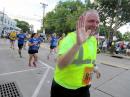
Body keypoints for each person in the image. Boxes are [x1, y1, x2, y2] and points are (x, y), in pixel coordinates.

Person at [50, 9, 101, 97]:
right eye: (91, 21)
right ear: (82, 21)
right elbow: (61, 65)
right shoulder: (69, 39)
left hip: (84, 86)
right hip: (64, 88)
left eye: (97, 22)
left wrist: (95, 68)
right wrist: (78, 44)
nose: (95, 24)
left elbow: (90, 59)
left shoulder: (93, 40)